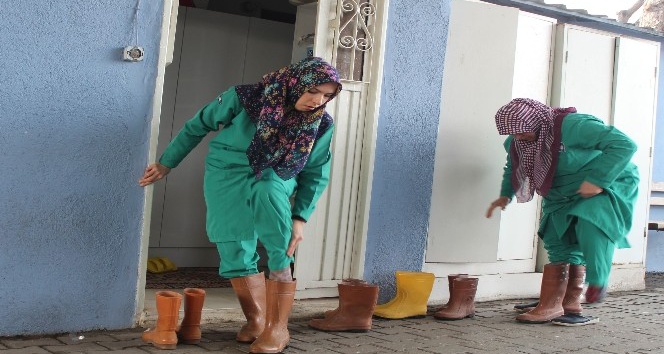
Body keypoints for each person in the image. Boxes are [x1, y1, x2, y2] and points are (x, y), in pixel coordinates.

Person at [139, 56, 342, 353]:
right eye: (313, 91)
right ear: (296, 82)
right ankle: (257, 320)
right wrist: (167, 163)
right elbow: (198, 125)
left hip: (277, 173)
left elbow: (316, 171)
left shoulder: (321, 123)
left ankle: (278, 327)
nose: (317, 100)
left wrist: (300, 217)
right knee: (233, 243)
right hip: (227, 171)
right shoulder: (246, 97)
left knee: (271, 205)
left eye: (326, 95)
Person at [485, 98, 639, 325]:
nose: (518, 138)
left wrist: (597, 180)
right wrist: (505, 194)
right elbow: (513, 167)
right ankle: (562, 302)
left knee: (590, 223)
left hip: (603, 183)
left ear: (536, 122)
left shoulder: (573, 126)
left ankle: (597, 282)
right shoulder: (516, 140)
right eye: (512, 133)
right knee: (557, 237)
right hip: (559, 190)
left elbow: (624, 145)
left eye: (522, 132)